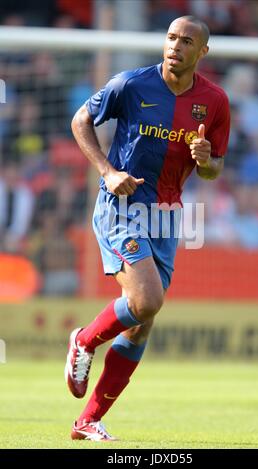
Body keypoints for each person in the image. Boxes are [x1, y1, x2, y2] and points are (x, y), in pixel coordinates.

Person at [65, 15, 230, 441]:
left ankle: (89, 419)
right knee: (147, 298)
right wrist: (106, 170)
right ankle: (83, 341)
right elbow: (80, 121)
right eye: (171, 38)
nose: (176, 46)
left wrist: (206, 159)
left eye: (187, 41)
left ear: (202, 52)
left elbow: (213, 171)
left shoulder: (214, 102)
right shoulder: (130, 84)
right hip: (121, 207)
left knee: (143, 319)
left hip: (166, 217)